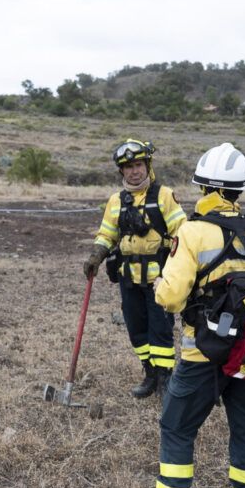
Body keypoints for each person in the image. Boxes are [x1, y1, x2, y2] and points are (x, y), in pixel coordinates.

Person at [134, 143, 245, 488]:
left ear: (202, 186)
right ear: (241, 189)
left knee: (178, 428)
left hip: (203, 355)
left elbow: (170, 296)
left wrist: (161, 286)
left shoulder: (193, 231)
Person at [83, 139, 186, 400]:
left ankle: (165, 379)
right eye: (127, 167)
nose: (134, 171)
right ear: (121, 171)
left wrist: (172, 274)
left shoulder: (165, 196)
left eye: (138, 164)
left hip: (159, 281)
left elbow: (182, 236)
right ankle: (149, 373)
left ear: (147, 165)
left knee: (160, 329)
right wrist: (97, 255)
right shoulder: (115, 201)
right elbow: (107, 235)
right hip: (128, 278)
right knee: (136, 329)